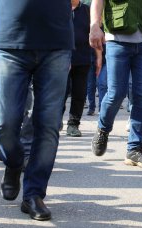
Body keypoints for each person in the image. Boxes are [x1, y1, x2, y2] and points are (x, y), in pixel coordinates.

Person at [0, 0, 73, 221]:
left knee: (48, 125)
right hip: (9, 41)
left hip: (56, 42)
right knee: (5, 123)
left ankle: (34, 194)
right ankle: (15, 163)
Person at [89, 0, 142, 169]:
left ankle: (135, 148)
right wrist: (94, 25)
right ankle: (103, 129)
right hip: (117, 39)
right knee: (116, 93)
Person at [63, 0, 91, 137]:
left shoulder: (87, 10)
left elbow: (94, 32)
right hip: (60, 59)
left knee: (79, 94)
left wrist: (98, 56)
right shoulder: (59, 7)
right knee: (60, 92)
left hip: (82, 59)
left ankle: (73, 124)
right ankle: (55, 120)